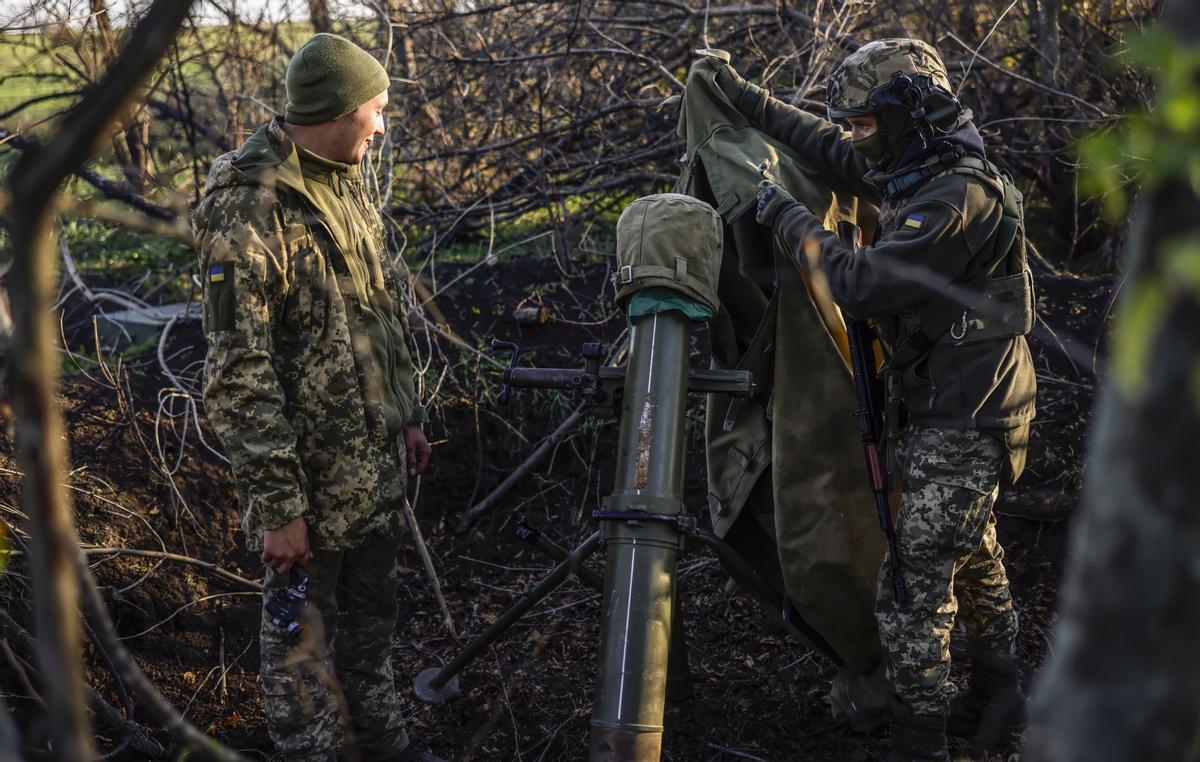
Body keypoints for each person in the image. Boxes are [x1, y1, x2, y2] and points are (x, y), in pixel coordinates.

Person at [710, 39, 1036, 760]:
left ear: (907, 114)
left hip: (970, 416)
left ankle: (922, 740)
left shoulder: (958, 194)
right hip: (954, 406)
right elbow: (826, 144)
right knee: (974, 552)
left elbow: (858, 285)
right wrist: (740, 94)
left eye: (865, 122)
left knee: (912, 590)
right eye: (853, 123)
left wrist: (793, 220)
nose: (855, 135)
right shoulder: (916, 164)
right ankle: (1001, 692)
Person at [191, 33, 440, 762]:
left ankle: (385, 746)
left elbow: (378, 307)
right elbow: (239, 371)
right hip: (309, 489)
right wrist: (279, 508)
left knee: (370, 629)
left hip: (372, 471)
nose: (384, 126)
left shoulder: (344, 175)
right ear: (336, 109)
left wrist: (408, 411)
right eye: (378, 109)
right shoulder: (248, 209)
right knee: (301, 651)